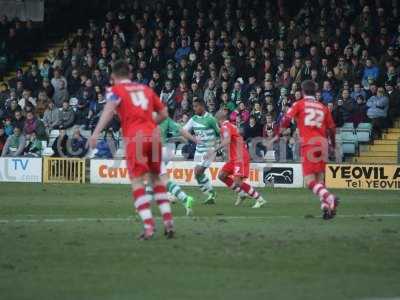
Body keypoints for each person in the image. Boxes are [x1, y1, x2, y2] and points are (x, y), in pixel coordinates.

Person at [88, 60, 172, 240]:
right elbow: (165, 114)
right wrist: (150, 124)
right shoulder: (146, 89)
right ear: (130, 74)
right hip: (155, 136)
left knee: (137, 181)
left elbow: (109, 110)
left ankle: (149, 226)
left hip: (135, 138)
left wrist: (95, 133)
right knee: (156, 179)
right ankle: (168, 221)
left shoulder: (115, 90)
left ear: (113, 77)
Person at [280, 80, 339, 220]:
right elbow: (332, 128)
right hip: (323, 143)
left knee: (309, 181)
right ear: (316, 91)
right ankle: (326, 208)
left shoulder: (299, 104)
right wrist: (333, 144)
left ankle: (330, 198)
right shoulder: (323, 107)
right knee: (319, 179)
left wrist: (282, 129)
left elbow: (286, 119)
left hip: (309, 144)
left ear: (302, 90)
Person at [207, 110, 267, 208]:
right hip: (234, 157)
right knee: (222, 175)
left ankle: (259, 199)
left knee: (238, 181)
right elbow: (236, 135)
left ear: (219, 119)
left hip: (240, 156)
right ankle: (241, 194)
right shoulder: (231, 125)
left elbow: (227, 140)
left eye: (216, 119)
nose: (215, 121)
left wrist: (215, 149)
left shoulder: (225, 127)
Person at [182, 99, 219, 204]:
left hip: (209, 151)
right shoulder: (193, 119)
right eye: (193, 106)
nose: (194, 109)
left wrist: (216, 148)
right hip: (199, 150)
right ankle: (211, 194)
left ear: (202, 106)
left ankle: (211, 193)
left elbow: (219, 133)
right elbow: (183, 131)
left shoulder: (211, 119)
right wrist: (193, 138)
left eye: (196, 106)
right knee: (197, 174)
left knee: (198, 170)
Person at [159, 117, 197, 215]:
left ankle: (184, 198)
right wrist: (193, 139)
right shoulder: (166, 119)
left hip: (156, 150)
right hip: (168, 150)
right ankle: (174, 196)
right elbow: (180, 130)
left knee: (161, 179)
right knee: (155, 178)